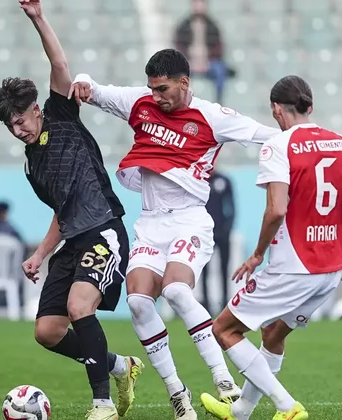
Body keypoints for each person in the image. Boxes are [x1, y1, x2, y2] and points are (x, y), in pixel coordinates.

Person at [69, 48, 281, 420]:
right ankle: (177, 393)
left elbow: (264, 135)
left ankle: (223, 379)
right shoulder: (139, 102)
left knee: (177, 291)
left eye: (163, 89)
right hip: (150, 223)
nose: (156, 96)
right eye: (152, 88)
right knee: (138, 302)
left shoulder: (212, 116)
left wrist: (310, 142)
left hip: (189, 220)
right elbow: (94, 90)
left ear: (184, 82)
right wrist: (82, 80)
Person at [198, 75, 342, 420]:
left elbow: (276, 209)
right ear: (310, 107)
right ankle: (241, 411)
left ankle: (287, 406)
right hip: (330, 270)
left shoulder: (278, 146)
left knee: (223, 329)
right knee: (273, 335)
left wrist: (257, 254)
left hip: (292, 267)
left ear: (276, 109)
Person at [0, 2, 144, 419]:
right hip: (73, 240)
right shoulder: (32, 166)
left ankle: (102, 405)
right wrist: (40, 254)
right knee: (47, 331)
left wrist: (37, 18)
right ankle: (120, 367)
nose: (18, 130)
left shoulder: (60, 113)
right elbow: (62, 212)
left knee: (80, 308)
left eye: (21, 120)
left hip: (104, 230)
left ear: (36, 109)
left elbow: (59, 63)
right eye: (11, 126)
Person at [173, 0, 232, 104]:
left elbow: (218, 47)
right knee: (176, 72)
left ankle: (219, 102)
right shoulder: (183, 25)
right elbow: (179, 47)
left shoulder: (213, 25)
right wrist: (188, 61)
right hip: (189, 61)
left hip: (209, 61)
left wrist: (207, 61)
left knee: (220, 70)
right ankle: (179, 102)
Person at [199, 169, 236, 313]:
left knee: (224, 269)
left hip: (222, 233)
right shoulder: (199, 181)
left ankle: (225, 302)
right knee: (204, 270)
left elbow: (231, 206)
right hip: (205, 234)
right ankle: (206, 304)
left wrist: (228, 228)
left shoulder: (224, 180)